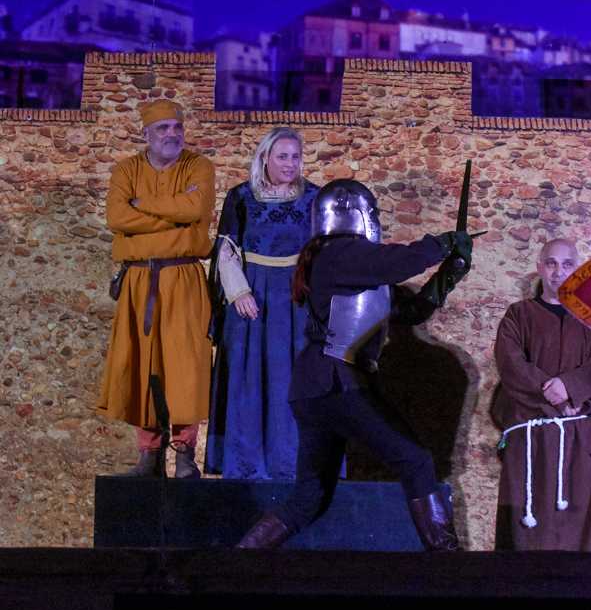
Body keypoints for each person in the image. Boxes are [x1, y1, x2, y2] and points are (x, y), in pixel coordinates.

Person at [236, 180, 473, 550]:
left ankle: (238, 561)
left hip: (320, 385)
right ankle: (449, 564)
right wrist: (440, 245)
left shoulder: (353, 266)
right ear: (354, 213)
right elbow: (398, 263)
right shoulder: (338, 254)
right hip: (337, 381)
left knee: (308, 500)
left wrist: (449, 273)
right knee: (415, 461)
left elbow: (409, 311)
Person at [97, 99, 215, 478]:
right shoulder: (126, 170)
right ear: (145, 133)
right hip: (138, 281)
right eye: (162, 128)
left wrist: (142, 206)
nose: (171, 134)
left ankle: (185, 454)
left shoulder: (199, 166)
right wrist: (173, 218)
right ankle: (149, 454)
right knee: (141, 362)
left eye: (177, 127)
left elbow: (195, 210)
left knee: (186, 365)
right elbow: (117, 217)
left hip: (183, 279)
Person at [205, 127, 319, 479]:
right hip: (252, 295)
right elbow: (226, 248)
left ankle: (291, 464)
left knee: (291, 380)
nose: (290, 163)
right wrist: (239, 292)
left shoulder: (314, 198)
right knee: (249, 379)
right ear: (265, 157)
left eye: (295, 157)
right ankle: (246, 466)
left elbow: (323, 249)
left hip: (295, 299)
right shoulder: (241, 197)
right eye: (282, 156)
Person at [492, 238, 591, 551]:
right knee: (530, 532)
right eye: (550, 263)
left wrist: (571, 387)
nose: (558, 271)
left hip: (581, 439)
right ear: (540, 268)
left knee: (583, 529)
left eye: (566, 264)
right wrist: (552, 394)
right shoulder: (519, 315)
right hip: (532, 435)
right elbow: (510, 363)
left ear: (577, 269)